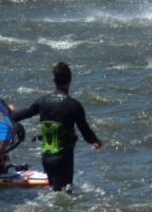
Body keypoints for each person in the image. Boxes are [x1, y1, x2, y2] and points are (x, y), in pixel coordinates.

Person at [10, 62, 101, 192]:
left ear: (54, 81)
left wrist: (11, 112)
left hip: (46, 158)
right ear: (70, 80)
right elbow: (85, 132)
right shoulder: (74, 105)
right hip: (63, 159)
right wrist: (96, 141)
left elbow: (20, 115)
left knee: (53, 193)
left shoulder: (42, 101)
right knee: (65, 196)